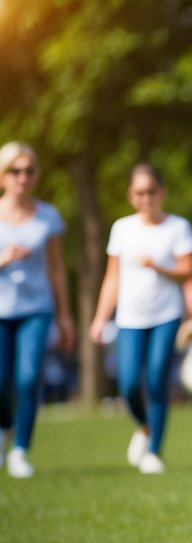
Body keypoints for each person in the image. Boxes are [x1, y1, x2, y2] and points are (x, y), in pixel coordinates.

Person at [89, 163, 192, 475]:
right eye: (139, 192)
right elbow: (112, 278)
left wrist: (158, 267)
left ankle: (154, 451)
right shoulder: (122, 228)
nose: (145, 198)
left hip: (165, 314)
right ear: (130, 195)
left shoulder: (178, 227)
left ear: (161, 193)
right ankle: (143, 426)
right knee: (128, 383)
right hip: (129, 317)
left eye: (151, 191)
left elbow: (187, 270)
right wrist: (99, 318)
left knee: (157, 379)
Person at [0, 142, 74, 478]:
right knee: (1, 383)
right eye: (16, 170)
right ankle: (4, 430)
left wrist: (64, 315)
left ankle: (20, 450)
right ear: (3, 175)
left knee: (28, 378)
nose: (23, 177)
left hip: (37, 309)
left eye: (29, 171)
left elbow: (57, 268)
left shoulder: (48, 216)